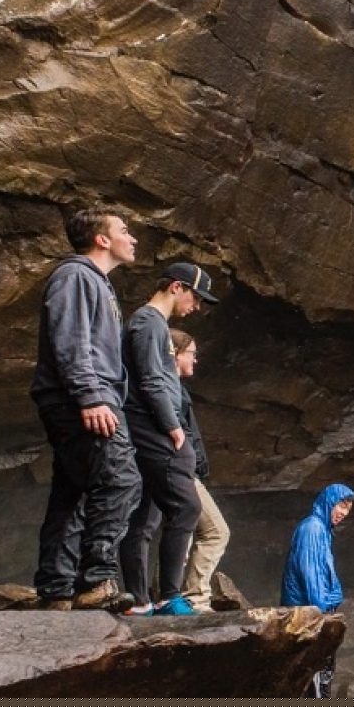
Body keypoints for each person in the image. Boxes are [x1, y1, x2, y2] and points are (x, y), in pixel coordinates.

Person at [30, 206, 142, 611]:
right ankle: (95, 581)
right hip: (81, 398)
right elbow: (71, 340)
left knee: (74, 492)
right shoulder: (76, 275)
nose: (133, 238)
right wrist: (91, 396)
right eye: (125, 230)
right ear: (102, 239)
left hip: (76, 397)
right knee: (121, 480)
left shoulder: (97, 283)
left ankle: (56, 588)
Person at [118, 262, 219, 616]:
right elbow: (151, 380)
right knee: (186, 506)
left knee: (144, 515)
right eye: (196, 297)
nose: (197, 307)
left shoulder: (150, 323)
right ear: (177, 287)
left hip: (146, 425)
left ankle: (139, 599)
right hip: (153, 426)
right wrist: (174, 427)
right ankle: (168, 597)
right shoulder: (148, 323)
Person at [171, 329, 231, 613]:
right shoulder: (166, 388)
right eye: (191, 354)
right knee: (215, 531)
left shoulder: (173, 388)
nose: (195, 361)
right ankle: (194, 598)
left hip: (184, 469)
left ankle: (168, 596)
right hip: (181, 471)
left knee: (179, 532)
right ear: (174, 354)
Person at [280, 483, 354, 698]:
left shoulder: (322, 531)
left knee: (320, 682)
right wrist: (323, 617)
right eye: (341, 506)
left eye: (347, 509)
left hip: (312, 617)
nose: (343, 513)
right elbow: (311, 577)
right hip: (307, 619)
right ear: (328, 502)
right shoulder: (312, 528)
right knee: (312, 684)